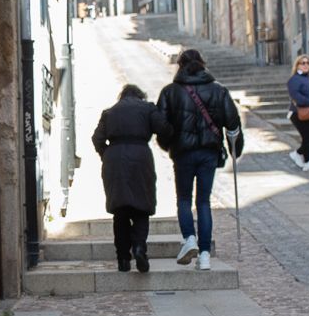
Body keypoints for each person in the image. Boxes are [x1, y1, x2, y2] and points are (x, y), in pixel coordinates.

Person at [157, 48, 241, 271]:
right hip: (209, 153)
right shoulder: (218, 91)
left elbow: (161, 126)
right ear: (202, 64)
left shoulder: (170, 92)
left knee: (184, 198)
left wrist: (169, 145)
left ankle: (189, 239)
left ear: (180, 65)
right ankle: (204, 255)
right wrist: (235, 150)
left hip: (183, 153)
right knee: (203, 201)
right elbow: (233, 123)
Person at [91, 84, 165, 272]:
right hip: (140, 157)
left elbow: (97, 138)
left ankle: (123, 259)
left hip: (114, 159)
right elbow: (163, 128)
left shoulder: (109, 112)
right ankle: (139, 247)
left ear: (121, 96)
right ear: (140, 96)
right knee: (142, 207)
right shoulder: (147, 108)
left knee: (120, 211)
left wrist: (106, 154)